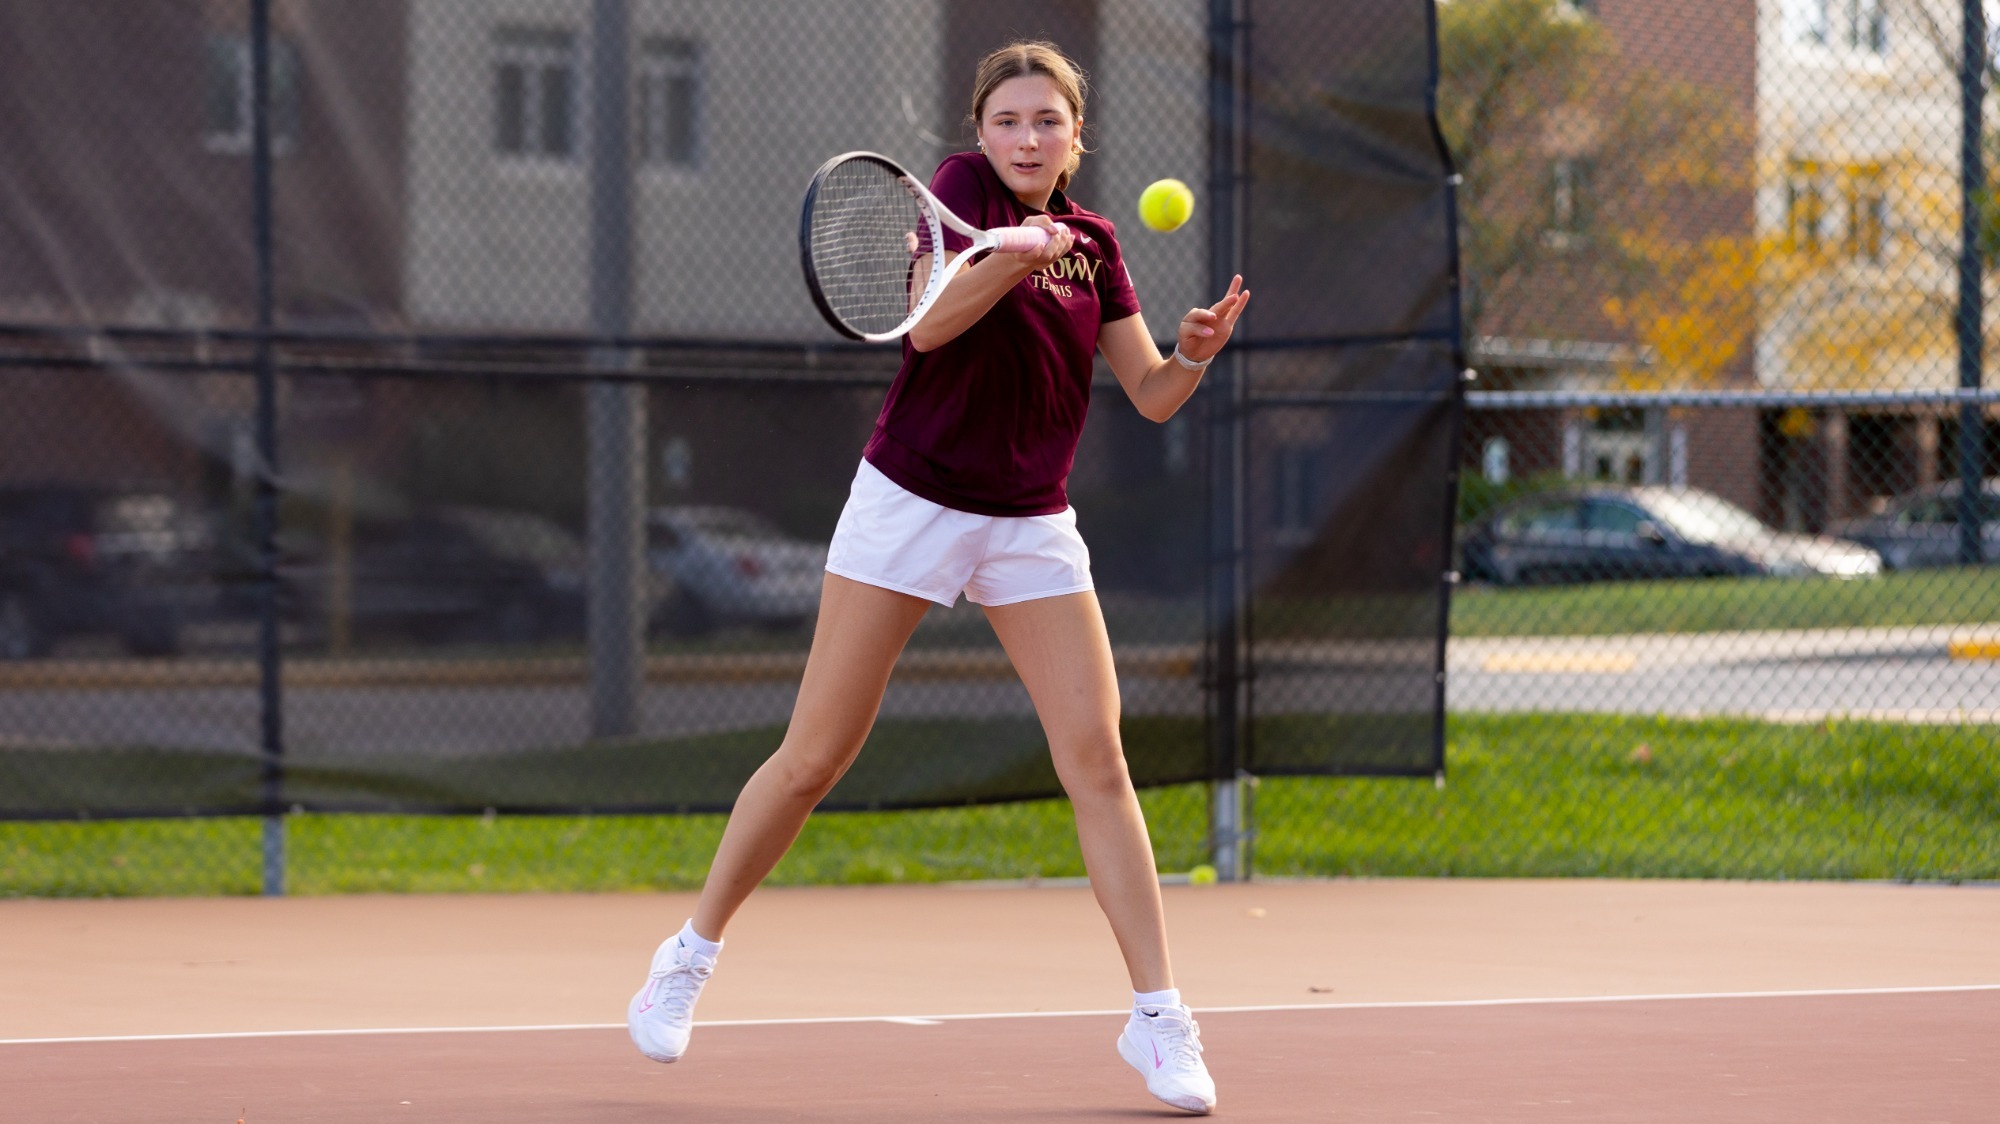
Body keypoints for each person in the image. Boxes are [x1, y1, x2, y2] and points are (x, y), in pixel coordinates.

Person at [627, 39, 1247, 1116]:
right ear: (980, 132)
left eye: (1046, 121)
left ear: (1074, 137)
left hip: (1029, 522)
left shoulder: (1095, 242)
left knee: (1097, 758)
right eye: (1006, 120)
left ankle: (1156, 1017)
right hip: (909, 502)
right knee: (815, 754)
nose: (1024, 137)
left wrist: (1190, 350)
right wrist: (1008, 253)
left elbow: (1146, 394)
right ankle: (688, 949)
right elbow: (926, 327)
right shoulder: (957, 198)